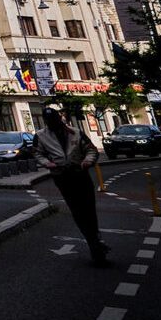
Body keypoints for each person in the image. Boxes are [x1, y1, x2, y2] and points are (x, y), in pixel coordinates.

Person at [37, 105, 108, 265]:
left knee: (88, 208)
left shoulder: (75, 132)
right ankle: (94, 243)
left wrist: (87, 161)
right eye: (49, 121)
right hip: (62, 176)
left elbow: (91, 149)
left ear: (59, 118)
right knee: (77, 210)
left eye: (53, 119)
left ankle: (94, 239)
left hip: (79, 173)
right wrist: (48, 163)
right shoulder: (41, 136)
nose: (52, 123)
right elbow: (37, 153)